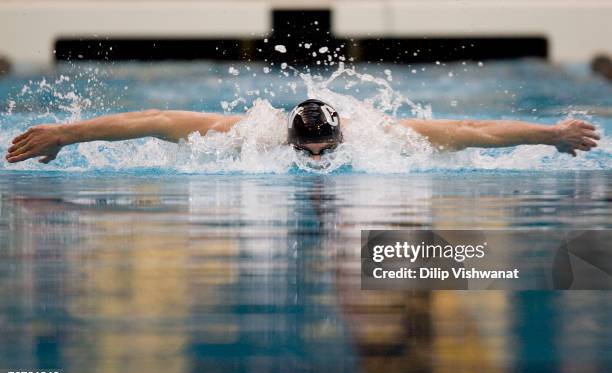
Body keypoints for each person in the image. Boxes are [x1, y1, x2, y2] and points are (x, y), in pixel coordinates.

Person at [5, 98, 599, 164]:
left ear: (341, 137)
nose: (316, 157)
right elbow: (154, 121)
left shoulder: (381, 134)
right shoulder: (251, 134)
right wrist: (66, 132)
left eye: (324, 147)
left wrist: (551, 135)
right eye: (306, 148)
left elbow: (472, 129)